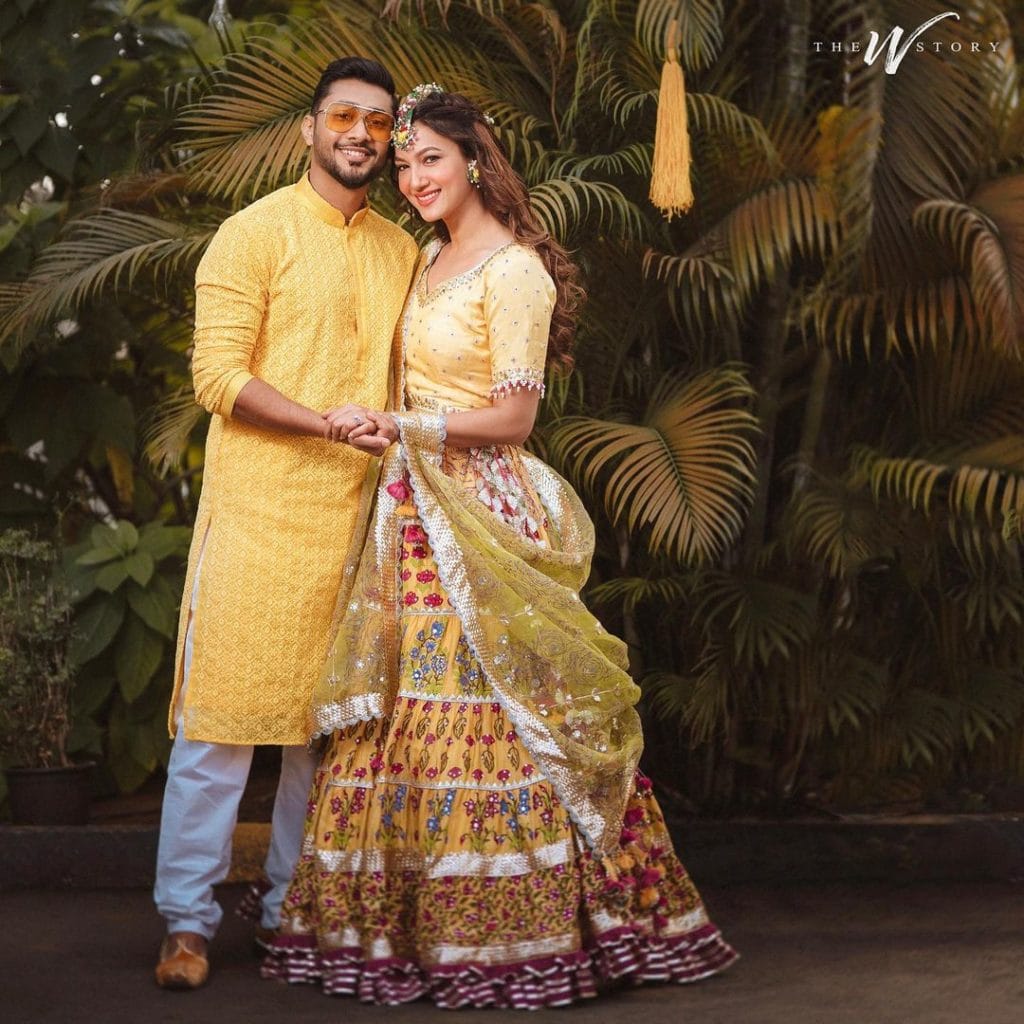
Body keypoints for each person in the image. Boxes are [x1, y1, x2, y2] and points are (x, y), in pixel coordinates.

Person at [262, 85, 738, 1009]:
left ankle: (524, 936)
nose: (413, 178)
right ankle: (398, 932)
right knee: (402, 713)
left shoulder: (515, 270)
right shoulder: (426, 258)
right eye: (404, 164)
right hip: (409, 512)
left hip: (482, 508)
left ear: (475, 163)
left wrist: (401, 426)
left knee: (501, 709)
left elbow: (514, 418)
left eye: (430, 160)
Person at [153, 57, 418, 990]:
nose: (360, 134)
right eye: (344, 116)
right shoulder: (251, 233)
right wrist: (324, 424)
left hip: (356, 520)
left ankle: (289, 915)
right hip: (257, 517)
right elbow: (217, 377)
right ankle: (186, 925)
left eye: (378, 123)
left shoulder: (400, 250)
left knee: (326, 735)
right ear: (309, 129)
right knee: (218, 729)